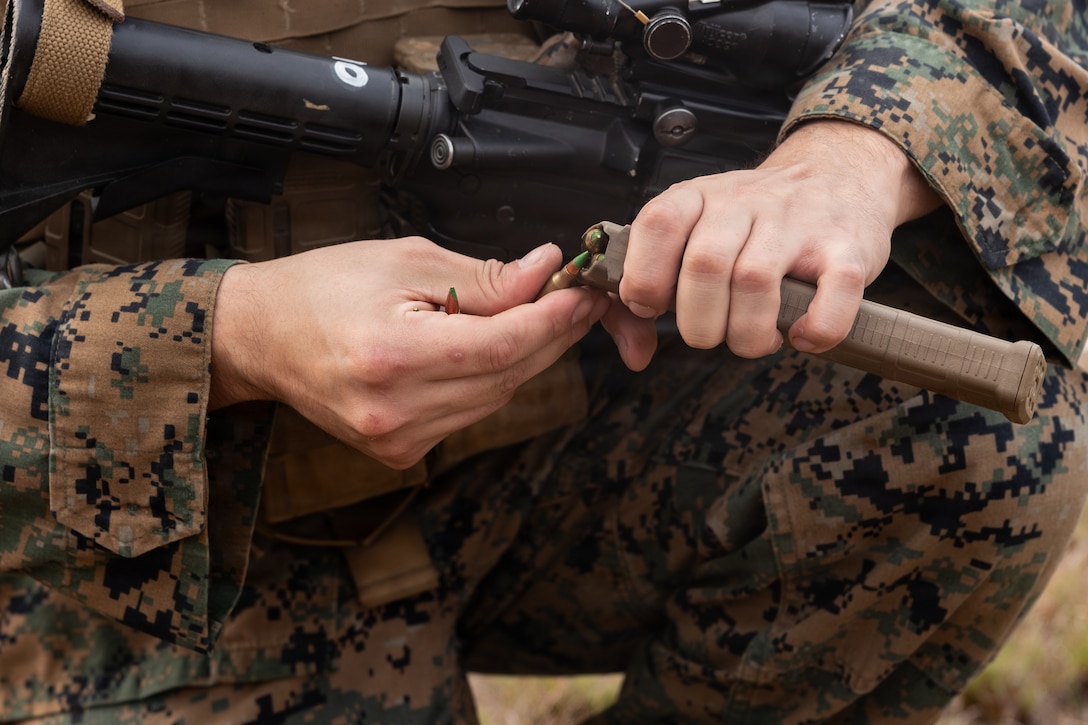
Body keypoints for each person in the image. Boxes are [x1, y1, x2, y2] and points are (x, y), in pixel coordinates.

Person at [1, 0, 1086, 722]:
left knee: (982, 435)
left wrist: (855, 147)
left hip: (560, 431)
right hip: (133, 541)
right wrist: (228, 335)